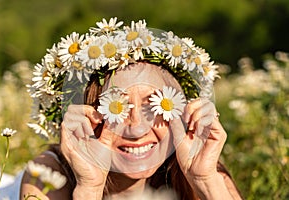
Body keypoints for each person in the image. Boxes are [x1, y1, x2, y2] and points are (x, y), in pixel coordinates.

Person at [20, 18, 243, 200]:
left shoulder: (205, 173)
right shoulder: (46, 177)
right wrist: (89, 188)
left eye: (153, 104)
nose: (137, 129)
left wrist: (205, 182)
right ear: (87, 114)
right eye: (117, 107)